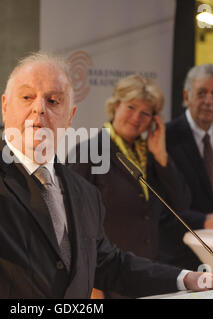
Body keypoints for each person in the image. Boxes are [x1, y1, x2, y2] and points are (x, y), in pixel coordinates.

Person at [0, 52, 213, 298]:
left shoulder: (83, 193)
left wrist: (184, 278)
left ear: (70, 115)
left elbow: (109, 264)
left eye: (53, 101)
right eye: (27, 97)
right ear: (6, 105)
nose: (39, 108)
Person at [68, 75, 190, 298]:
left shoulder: (151, 156)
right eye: (131, 107)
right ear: (115, 106)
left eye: (145, 113)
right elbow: (74, 223)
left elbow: (180, 204)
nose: (136, 118)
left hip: (149, 277)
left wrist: (162, 157)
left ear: (154, 120)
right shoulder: (88, 152)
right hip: (110, 281)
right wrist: (91, 283)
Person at [161, 63, 213, 271]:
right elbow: (160, 207)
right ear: (186, 95)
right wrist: (203, 220)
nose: (209, 100)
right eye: (202, 93)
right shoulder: (164, 138)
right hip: (179, 257)